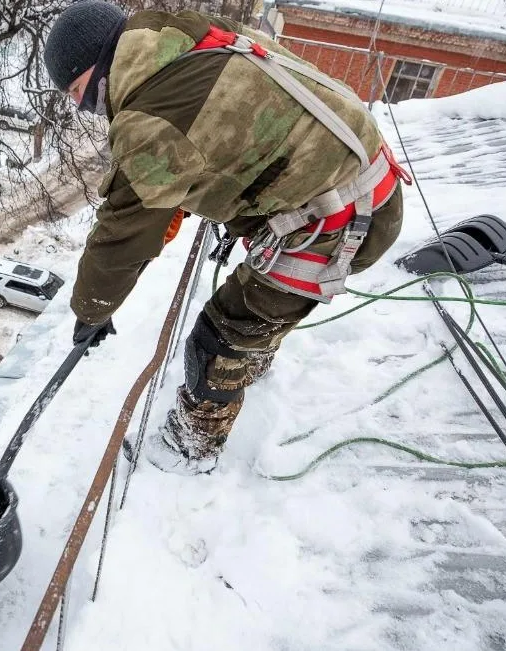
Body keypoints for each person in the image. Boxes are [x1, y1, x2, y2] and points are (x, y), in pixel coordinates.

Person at [48, 2, 408, 474]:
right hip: (363, 178)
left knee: (219, 337)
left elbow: (122, 235)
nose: (83, 107)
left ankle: (189, 449)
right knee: (251, 315)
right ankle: (251, 363)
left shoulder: (150, 121)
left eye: (78, 92)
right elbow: (225, 129)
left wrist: (90, 310)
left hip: (341, 220)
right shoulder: (178, 35)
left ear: (97, 67)